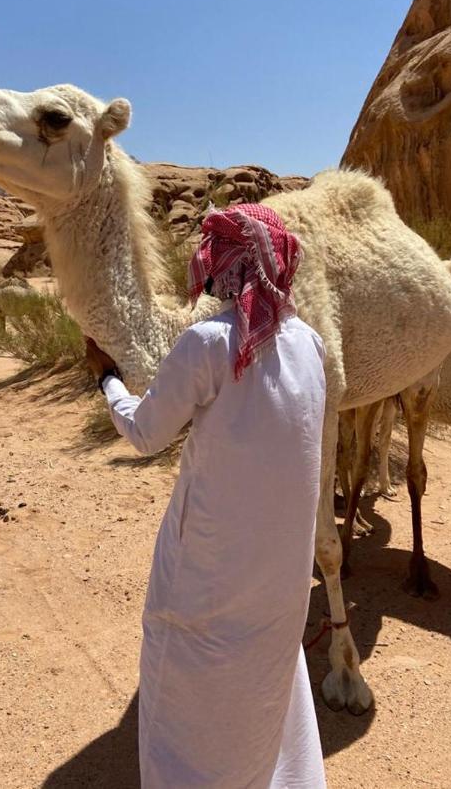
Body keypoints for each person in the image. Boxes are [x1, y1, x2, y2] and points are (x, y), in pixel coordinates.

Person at [86, 203, 327, 789]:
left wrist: (106, 380)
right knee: (265, 673)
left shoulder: (209, 342)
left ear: (228, 266)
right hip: (280, 574)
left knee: (187, 679)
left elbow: (145, 433)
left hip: (209, 570)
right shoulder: (312, 346)